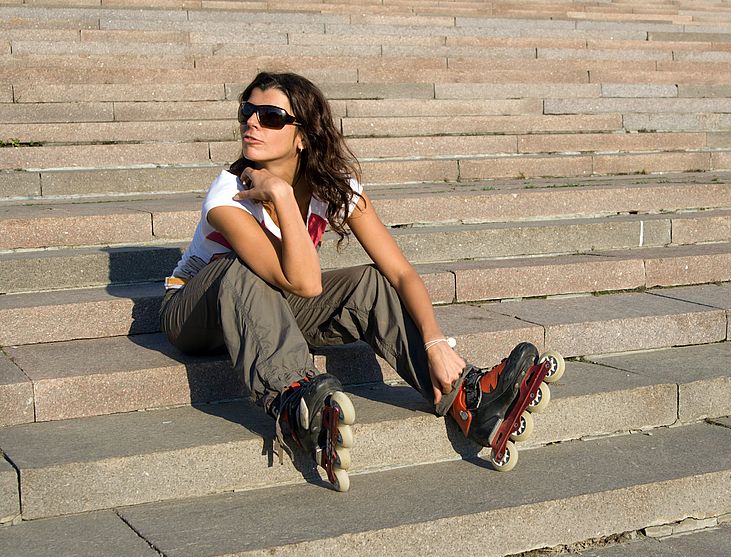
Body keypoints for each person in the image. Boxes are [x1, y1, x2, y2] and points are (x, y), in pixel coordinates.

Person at [159, 71, 556, 491]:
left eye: (271, 116)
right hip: (195, 313)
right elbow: (307, 284)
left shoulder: (333, 187)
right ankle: (295, 398)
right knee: (240, 267)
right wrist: (276, 192)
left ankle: (466, 399)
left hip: (266, 310)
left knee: (371, 282)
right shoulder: (228, 194)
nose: (252, 123)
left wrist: (435, 343)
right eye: (247, 111)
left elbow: (400, 271)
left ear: (303, 136)